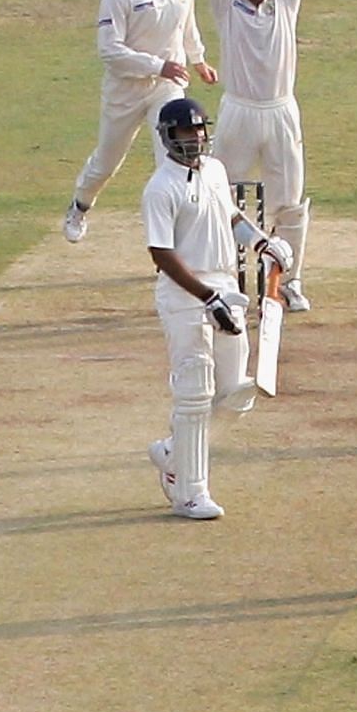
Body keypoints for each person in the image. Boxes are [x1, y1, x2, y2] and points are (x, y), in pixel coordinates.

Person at [143, 98, 292, 519]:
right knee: (194, 392)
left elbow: (230, 216)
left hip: (225, 285)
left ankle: (174, 452)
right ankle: (190, 492)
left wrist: (263, 242)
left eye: (198, 132)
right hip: (184, 295)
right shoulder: (160, 188)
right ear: (168, 138)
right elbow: (161, 254)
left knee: (236, 392)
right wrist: (206, 297)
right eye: (184, 135)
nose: (193, 141)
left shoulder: (215, 170)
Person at [198, 0, 322, 312]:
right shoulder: (225, 4)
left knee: (291, 202)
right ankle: (220, 279)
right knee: (216, 194)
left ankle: (291, 282)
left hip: (282, 110)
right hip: (239, 110)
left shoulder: (285, 0)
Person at [61, 0, 216, 244]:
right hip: (126, 88)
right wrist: (158, 65)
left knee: (174, 157)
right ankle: (80, 206)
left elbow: (187, 26)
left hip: (167, 86)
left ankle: (175, 240)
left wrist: (198, 60)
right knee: (107, 162)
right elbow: (109, 51)